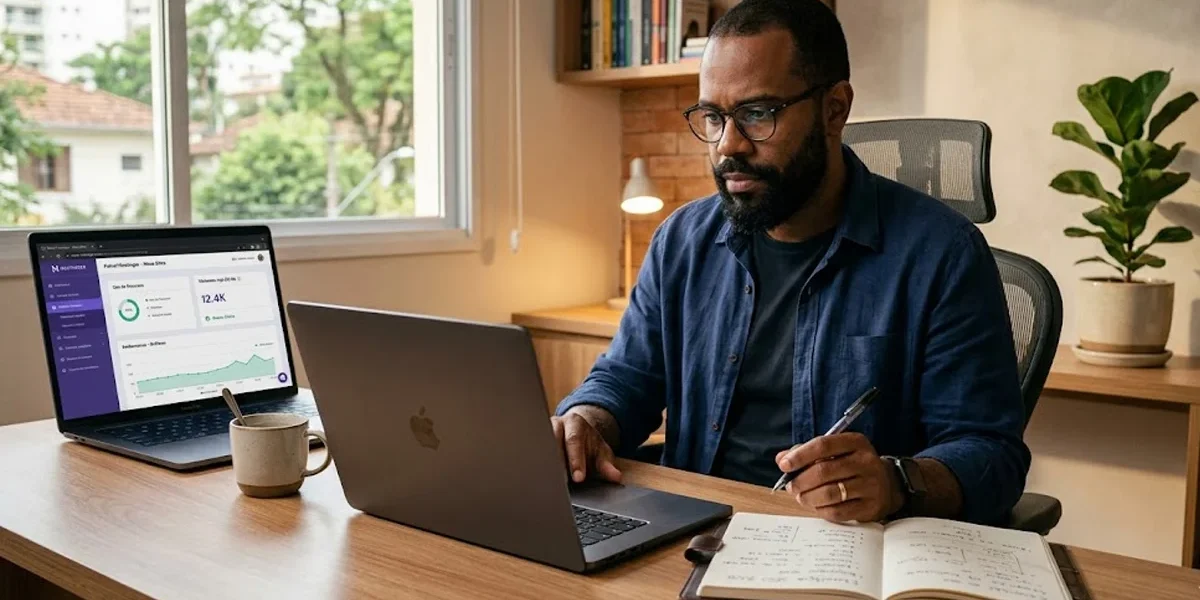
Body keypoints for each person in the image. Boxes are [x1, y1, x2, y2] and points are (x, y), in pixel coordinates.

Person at [551, 0, 1029, 527]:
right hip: (691, 532)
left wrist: (896, 481)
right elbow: (626, 379)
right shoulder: (681, 240)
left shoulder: (943, 253)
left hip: (841, 547)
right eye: (713, 116)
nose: (728, 145)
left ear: (834, 109)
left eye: (757, 114)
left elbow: (990, 452)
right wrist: (585, 421)